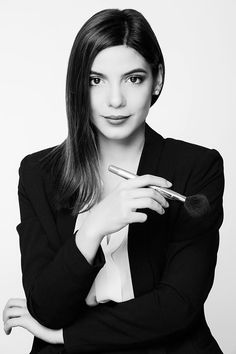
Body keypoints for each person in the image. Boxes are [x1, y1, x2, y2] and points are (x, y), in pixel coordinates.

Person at [3, 8, 224, 354]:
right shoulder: (38, 173)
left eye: (133, 79)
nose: (115, 100)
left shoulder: (196, 167)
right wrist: (93, 228)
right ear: (79, 85)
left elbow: (179, 304)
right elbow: (46, 307)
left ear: (158, 80)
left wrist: (64, 335)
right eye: (96, 80)